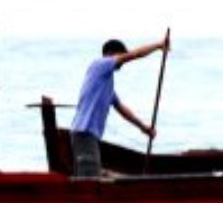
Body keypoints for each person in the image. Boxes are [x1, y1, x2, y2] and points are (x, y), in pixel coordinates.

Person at [70, 35, 169, 178]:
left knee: (88, 176)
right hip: (84, 131)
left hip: (87, 134)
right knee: (89, 180)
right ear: (111, 54)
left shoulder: (105, 82)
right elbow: (134, 55)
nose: (122, 63)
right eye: (122, 56)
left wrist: (144, 127)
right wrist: (158, 45)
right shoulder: (100, 64)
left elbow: (122, 109)